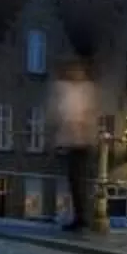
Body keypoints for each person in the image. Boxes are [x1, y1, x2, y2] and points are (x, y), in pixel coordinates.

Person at [51, 58, 106, 233]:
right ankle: (80, 217)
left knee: (80, 181)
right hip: (74, 142)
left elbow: (85, 115)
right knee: (75, 181)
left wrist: (82, 129)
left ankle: (84, 219)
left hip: (82, 143)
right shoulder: (72, 89)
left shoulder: (85, 90)